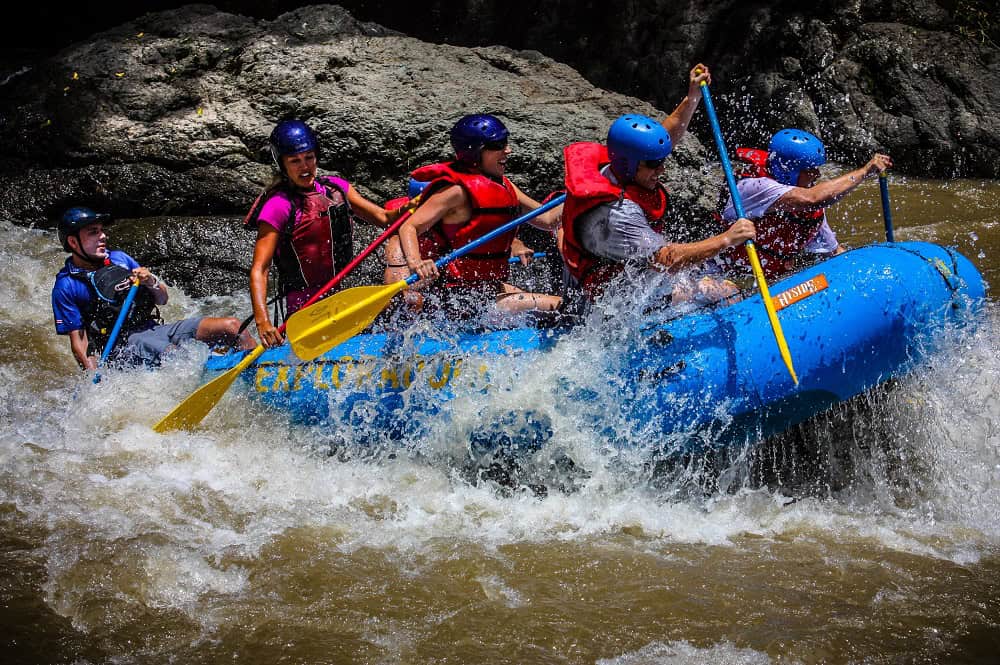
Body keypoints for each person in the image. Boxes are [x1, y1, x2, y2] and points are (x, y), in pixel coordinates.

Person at [560, 64, 756, 306]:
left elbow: (660, 140)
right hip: (607, 304)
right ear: (630, 164)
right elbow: (666, 259)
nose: (661, 169)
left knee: (710, 281)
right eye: (654, 164)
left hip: (613, 277)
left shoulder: (613, 167)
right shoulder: (620, 214)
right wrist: (727, 238)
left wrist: (692, 97)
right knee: (724, 291)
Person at [246, 118, 409, 347]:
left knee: (406, 303)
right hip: (305, 308)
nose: (304, 166)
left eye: (309, 158)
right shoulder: (279, 205)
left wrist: (411, 208)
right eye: (295, 161)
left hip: (340, 297)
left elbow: (384, 218)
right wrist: (263, 322)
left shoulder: (335, 188)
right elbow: (260, 269)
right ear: (282, 164)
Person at [389, 113, 563, 316]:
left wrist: (578, 196)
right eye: (498, 145)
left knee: (556, 304)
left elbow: (548, 219)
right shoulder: (456, 192)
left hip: (486, 290)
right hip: (457, 297)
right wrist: (416, 262)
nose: (508, 150)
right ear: (476, 152)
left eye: (505, 143)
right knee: (559, 306)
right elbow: (409, 226)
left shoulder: (505, 185)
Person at [51, 207, 254, 370]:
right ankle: (213, 376)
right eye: (93, 233)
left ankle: (262, 368)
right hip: (121, 347)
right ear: (73, 242)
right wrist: (95, 378)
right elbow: (79, 343)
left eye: (102, 230)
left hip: (154, 328)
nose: (103, 236)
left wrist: (151, 281)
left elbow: (163, 299)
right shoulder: (66, 285)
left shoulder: (119, 259)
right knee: (178, 356)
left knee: (233, 327)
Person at [715, 128, 893, 280]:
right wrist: (864, 171)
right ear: (787, 171)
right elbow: (812, 198)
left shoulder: (804, 207)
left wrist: (863, 272)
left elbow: (833, 251)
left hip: (768, 277)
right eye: (809, 170)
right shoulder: (755, 187)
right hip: (727, 274)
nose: (817, 174)